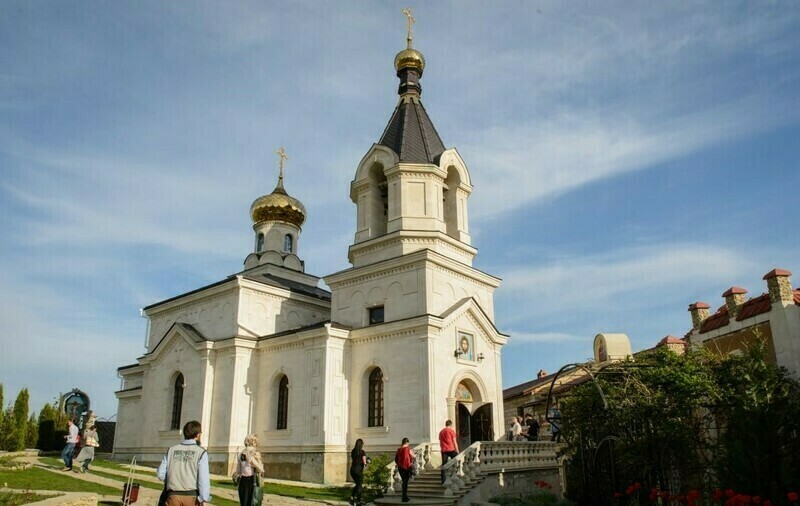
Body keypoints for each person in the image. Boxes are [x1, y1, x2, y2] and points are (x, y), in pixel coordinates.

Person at [157, 420, 211, 506]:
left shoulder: (171, 450)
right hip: (192, 498)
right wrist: (203, 498)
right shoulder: (201, 452)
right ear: (198, 435)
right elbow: (203, 478)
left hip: (173, 496)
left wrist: (173, 480)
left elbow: (160, 473)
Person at [236, 434, 263, 506]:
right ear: (253, 442)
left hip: (242, 481)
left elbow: (238, 471)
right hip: (251, 481)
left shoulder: (241, 454)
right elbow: (260, 469)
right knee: (252, 503)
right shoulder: (254, 453)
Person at [438, 420, 458, 485]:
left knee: (444, 465)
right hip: (451, 449)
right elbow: (454, 441)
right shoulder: (451, 431)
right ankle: (454, 475)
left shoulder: (441, 432)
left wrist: (442, 448)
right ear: (451, 424)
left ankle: (443, 481)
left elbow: (440, 442)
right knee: (456, 462)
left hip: (444, 450)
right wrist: (457, 450)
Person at [395, 437, 414, 503]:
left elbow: (396, 460)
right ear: (407, 443)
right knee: (405, 482)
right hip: (406, 467)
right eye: (408, 443)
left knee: (404, 481)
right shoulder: (407, 449)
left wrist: (399, 464)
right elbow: (413, 456)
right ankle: (404, 497)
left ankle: (404, 496)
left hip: (400, 468)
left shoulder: (398, 450)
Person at [349, 439, 366, 506]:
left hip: (352, 470)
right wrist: (366, 464)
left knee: (358, 484)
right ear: (361, 444)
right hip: (358, 470)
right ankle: (358, 501)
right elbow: (364, 462)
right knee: (359, 485)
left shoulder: (353, 451)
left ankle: (352, 497)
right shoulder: (362, 452)